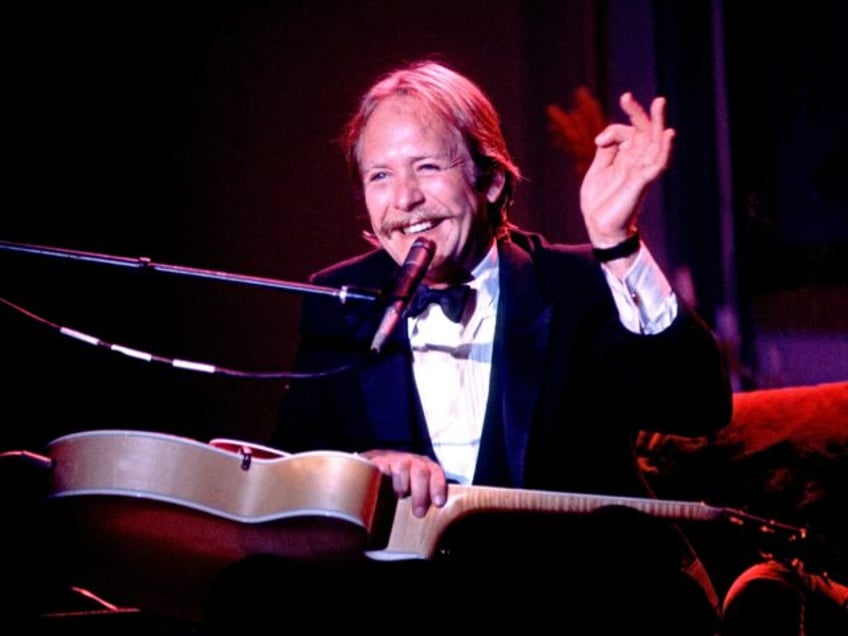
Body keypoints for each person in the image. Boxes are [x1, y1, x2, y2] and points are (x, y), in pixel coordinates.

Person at [210, 59, 733, 634]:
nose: (403, 199)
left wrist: (616, 244)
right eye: (379, 176)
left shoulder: (576, 281)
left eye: (427, 167)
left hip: (574, 598)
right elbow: (287, 475)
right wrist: (362, 468)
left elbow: (699, 405)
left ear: (491, 180)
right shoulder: (340, 298)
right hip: (407, 606)